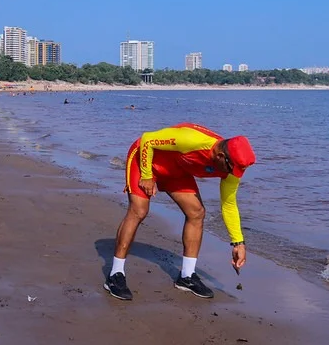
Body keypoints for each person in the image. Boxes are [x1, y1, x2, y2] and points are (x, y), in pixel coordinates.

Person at [104, 123, 256, 301]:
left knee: (196, 213)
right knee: (139, 210)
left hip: (176, 170)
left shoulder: (232, 168)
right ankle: (115, 275)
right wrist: (147, 175)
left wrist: (238, 242)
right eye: (233, 169)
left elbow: (228, 204)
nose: (235, 174)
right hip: (145, 159)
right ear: (221, 156)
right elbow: (147, 140)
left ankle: (186, 277)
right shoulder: (191, 139)